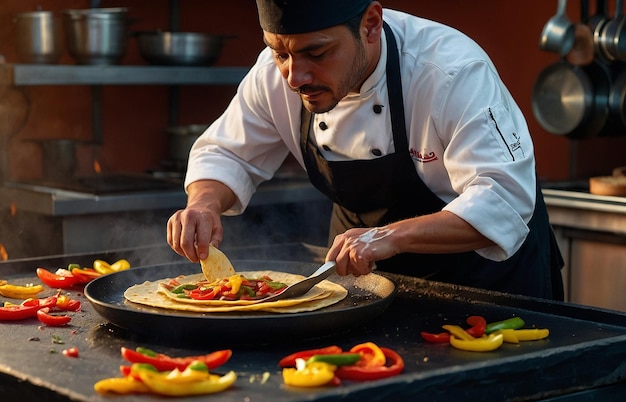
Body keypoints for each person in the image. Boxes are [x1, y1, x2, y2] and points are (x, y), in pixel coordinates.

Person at [167, 0, 564, 300]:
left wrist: (385, 237)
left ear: (371, 24)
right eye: (279, 52)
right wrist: (203, 203)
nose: (294, 76)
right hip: (362, 279)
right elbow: (228, 153)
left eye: (317, 54)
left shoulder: (450, 71)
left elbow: (503, 199)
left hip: (486, 285)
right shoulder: (277, 73)